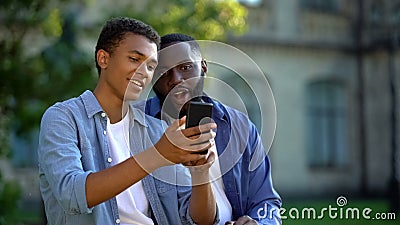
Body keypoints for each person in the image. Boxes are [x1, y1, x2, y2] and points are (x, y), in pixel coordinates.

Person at [38, 18, 218, 225]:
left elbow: (197, 219)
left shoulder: (157, 130)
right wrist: (158, 155)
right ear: (103, 59)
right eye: (134, 59)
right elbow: (71, 194)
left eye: (151, 66)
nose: (144, 72)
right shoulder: (63, 118)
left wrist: (201, 172)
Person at [136, 33, 282, 225]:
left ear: (203, 67)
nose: (176, 79)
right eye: (163, 71)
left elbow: (267, 202)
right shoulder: (134, 124)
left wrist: (258, 223)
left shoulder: (241, 127)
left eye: (186, 67)